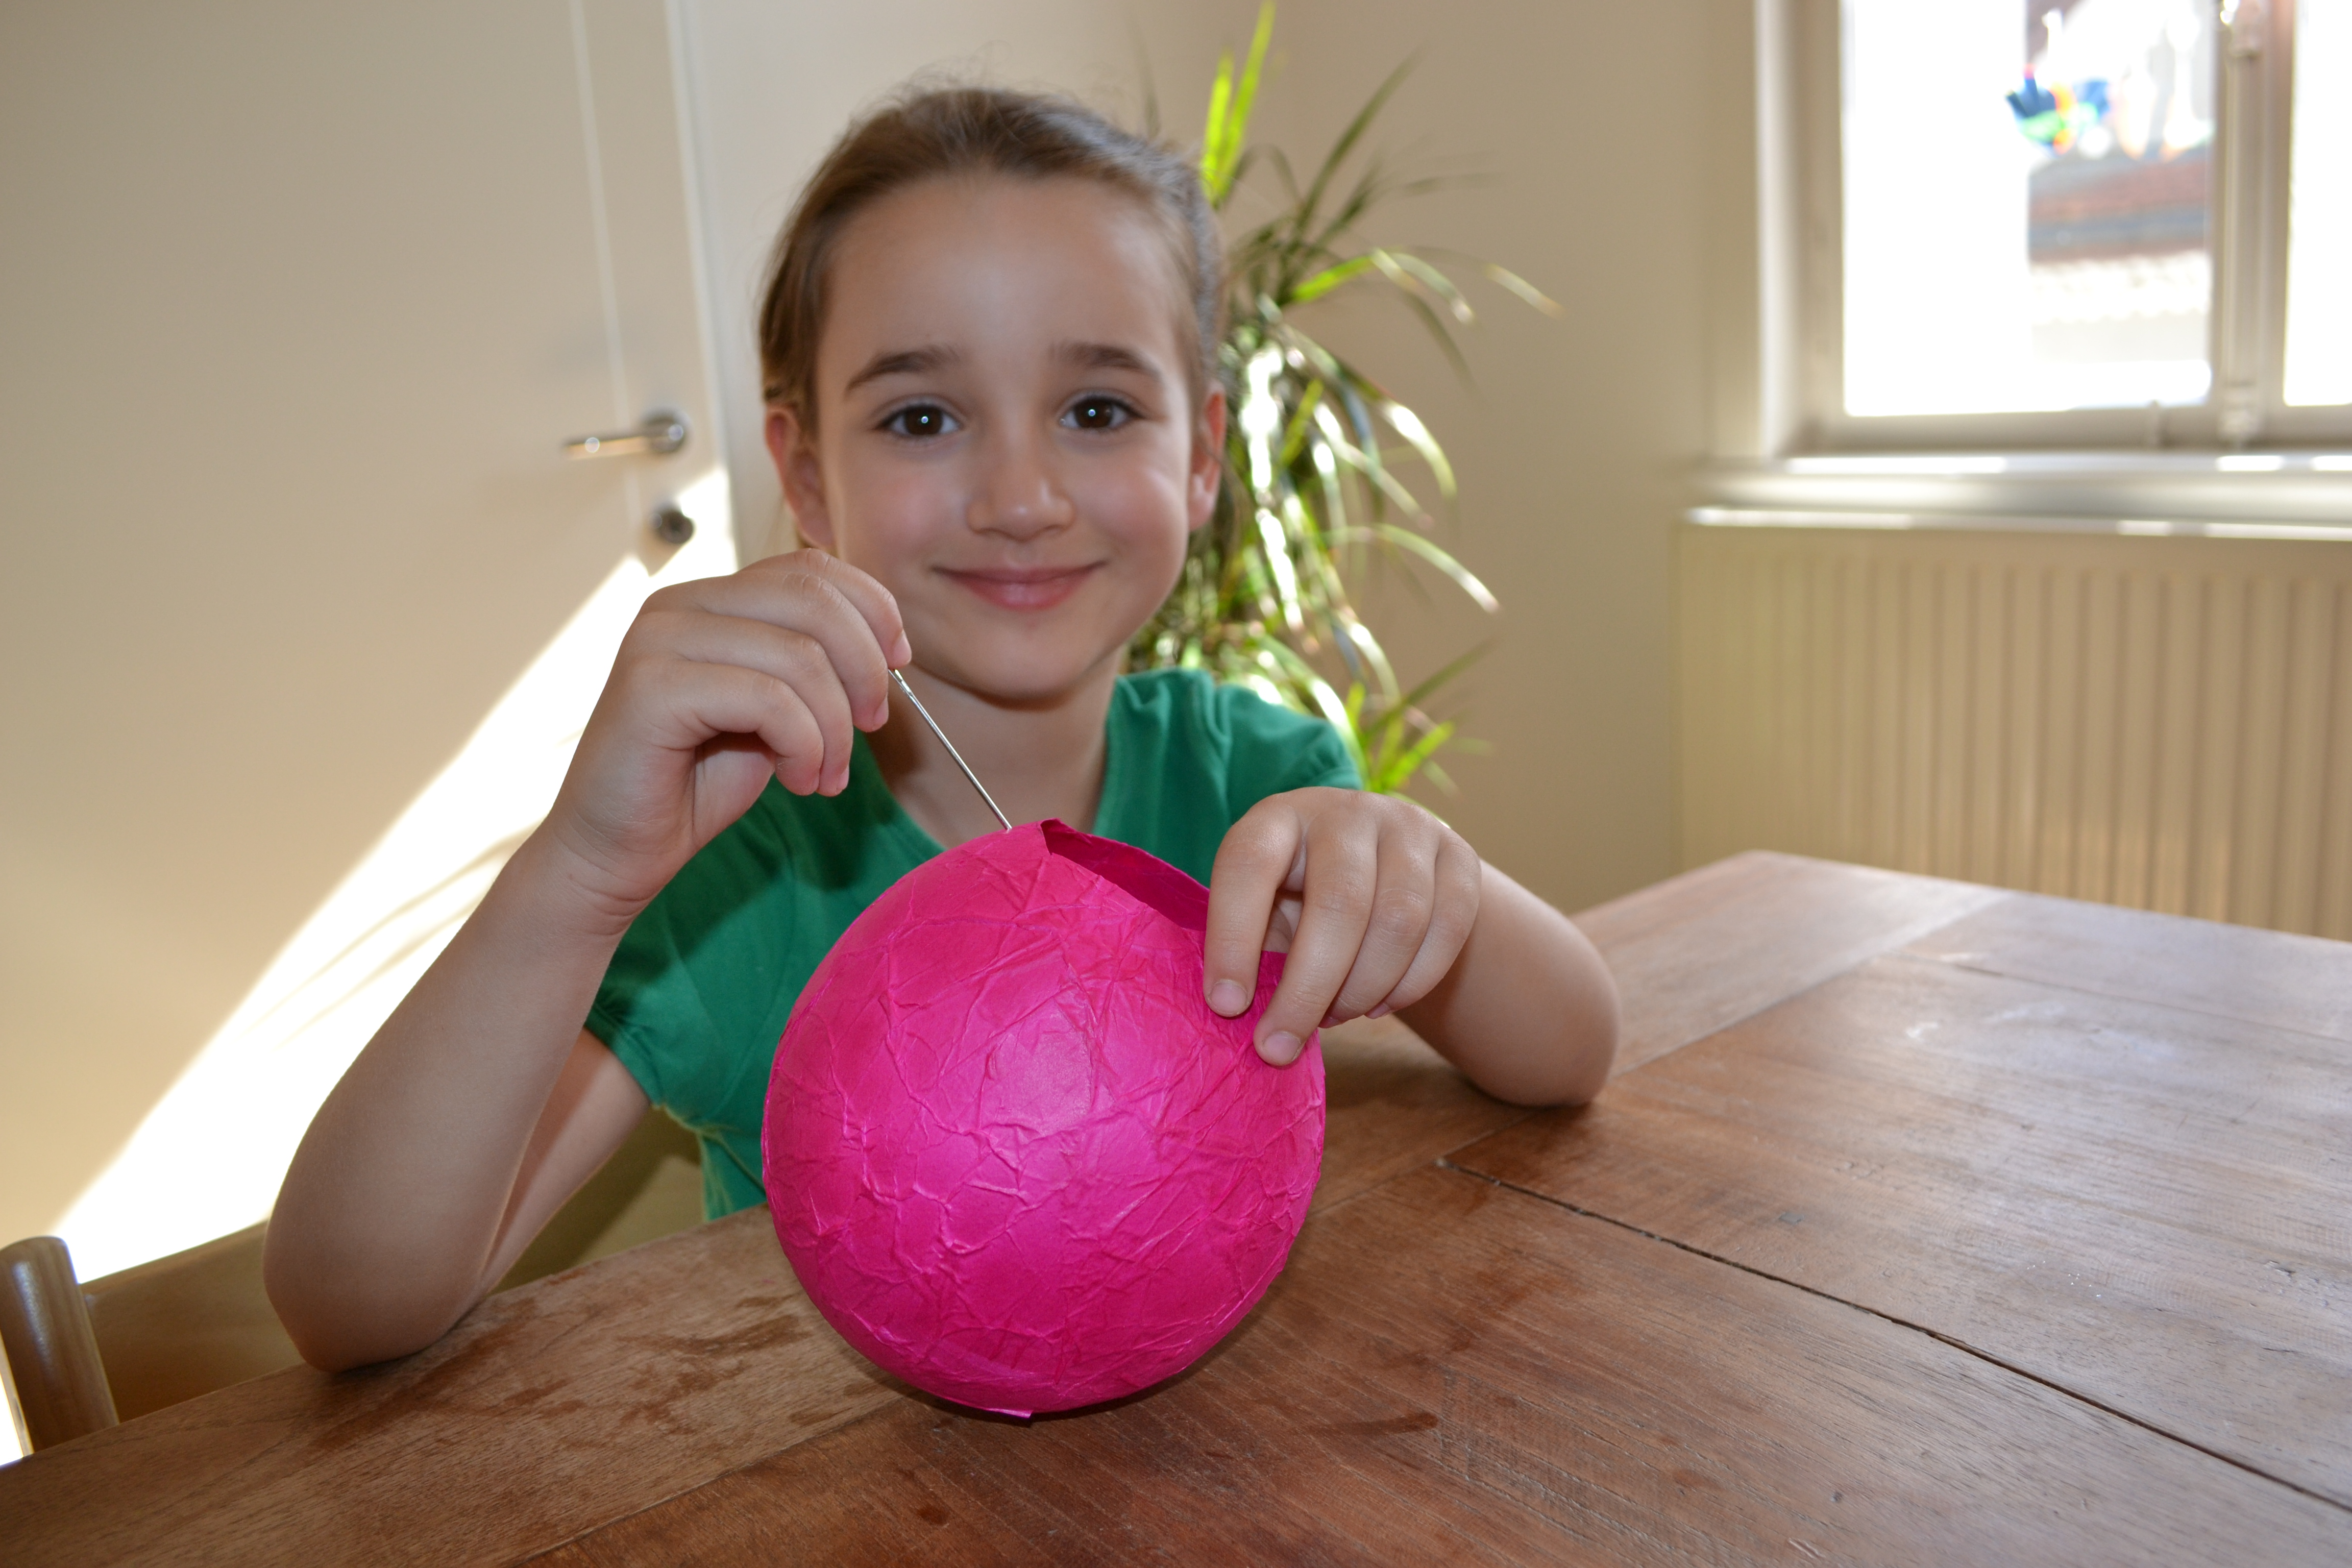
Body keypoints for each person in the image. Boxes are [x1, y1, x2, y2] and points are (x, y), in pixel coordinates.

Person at [263, 86, 1619, 1372]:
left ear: (1203, 455)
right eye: (922, 417)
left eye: (1097, 410)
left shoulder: (1260, 795)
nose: (1021, 497)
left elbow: (1571, 1055)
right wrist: (578, 876)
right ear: (807, 476)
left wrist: (1421, 871)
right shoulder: (737, 877)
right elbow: (350, 1305)